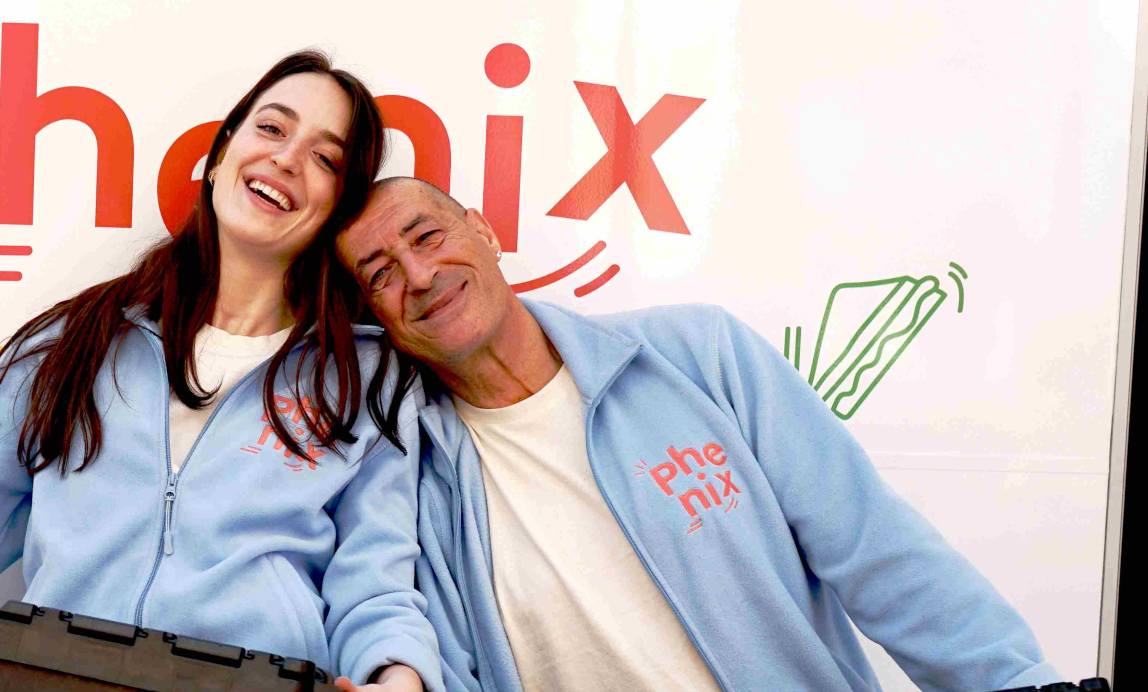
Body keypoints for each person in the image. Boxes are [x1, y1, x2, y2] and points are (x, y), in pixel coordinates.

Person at [0, 54, 438, 691]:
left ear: (338, 209)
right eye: (272, 128)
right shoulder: (71, 342)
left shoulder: (367, 381)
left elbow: (376, 588)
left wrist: (398, 677)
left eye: (325, 158)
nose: (286, 159)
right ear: (221, 154)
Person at [334, 177, 1059, 692]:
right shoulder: (413, 480)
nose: (420, 275)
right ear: (373, 316)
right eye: (381, 274)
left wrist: (1017, 683)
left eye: (427, 236)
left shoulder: (699, 355)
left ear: (484, 231)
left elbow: (877, 551)